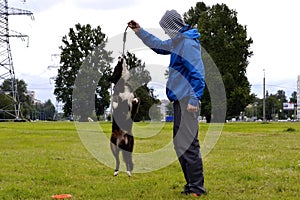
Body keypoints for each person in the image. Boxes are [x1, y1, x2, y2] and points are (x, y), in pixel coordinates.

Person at [128, 9, 206, 197]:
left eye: (167, 28)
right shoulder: (178, 41)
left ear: (173, 26)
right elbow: (159, 45)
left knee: (188, 144)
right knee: (180, 144)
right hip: (180, 101)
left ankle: (197, 188)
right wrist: (139, 31)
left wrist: (194, 99)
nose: (166, 32)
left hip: (188, 100)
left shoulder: (187, 43)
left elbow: (198, 73)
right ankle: (191, 186)